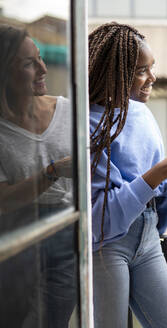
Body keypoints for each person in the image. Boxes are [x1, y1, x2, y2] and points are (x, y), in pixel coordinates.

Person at [89, 22, 167, 328]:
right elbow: (102, 218)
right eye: (142, 70)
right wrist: (160, 172)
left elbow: (149, 192)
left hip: (146, 238)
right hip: (107, 245)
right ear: (115, 74)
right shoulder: (88, 125)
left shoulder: (142, 114)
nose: (152, 78)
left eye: (151, 68)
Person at [0, 24, 76, 327]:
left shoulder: (70, 111)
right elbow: (3, 201)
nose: (43, 69)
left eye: (41, 57)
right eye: (30, 63)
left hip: (68, 231)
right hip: (16, 236)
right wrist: (53, 172)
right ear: (5, 72)